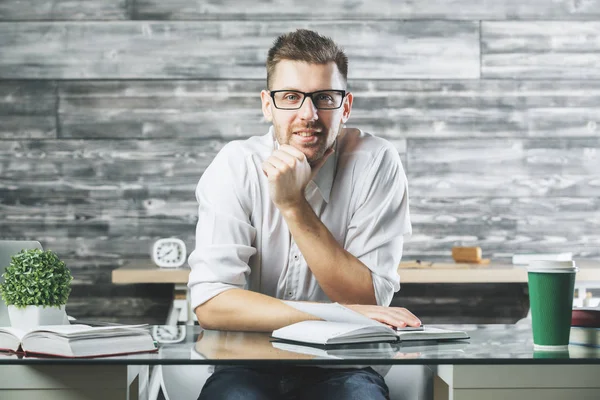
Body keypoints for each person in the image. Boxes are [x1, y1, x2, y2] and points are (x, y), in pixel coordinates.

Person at [188, 28, 419, 400]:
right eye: (291, 97)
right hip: (246, 362)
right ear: (268, 104)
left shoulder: (375, 162)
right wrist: (338, 315)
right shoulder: (235, 165)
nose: (307, 115)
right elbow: (212, 305)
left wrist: (293, 205)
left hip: (343, 364)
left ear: (345, 106)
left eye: (324, 98)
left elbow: (369, 297)